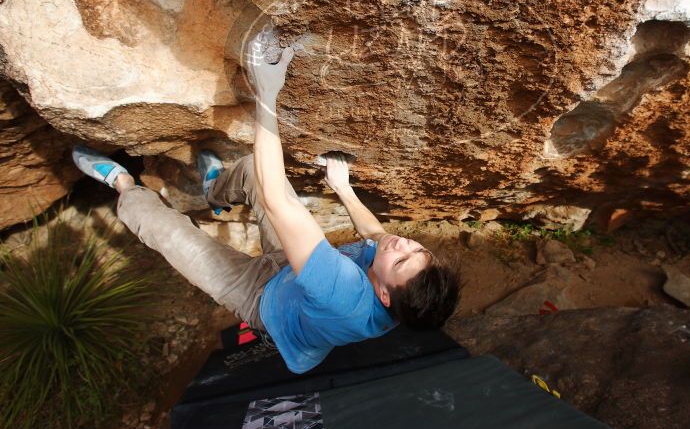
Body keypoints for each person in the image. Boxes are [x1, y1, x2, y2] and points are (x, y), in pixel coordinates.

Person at [71, 36, 461, 374]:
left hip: (260, 298)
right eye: (417, 247)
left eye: (401, 259)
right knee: (251, 171)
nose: (401, 244)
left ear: (383, 296)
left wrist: (267, 94)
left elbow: (279, 204)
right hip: (295, 272)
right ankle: (215, 193)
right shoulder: (404, 296)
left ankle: (123, 185)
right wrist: (344, 190)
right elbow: (377, 235)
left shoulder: (342, 292)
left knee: (170, 234)